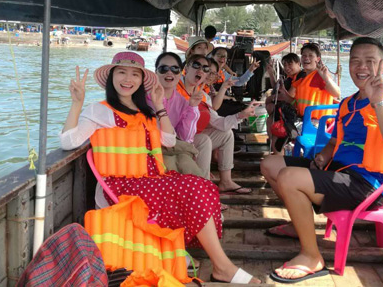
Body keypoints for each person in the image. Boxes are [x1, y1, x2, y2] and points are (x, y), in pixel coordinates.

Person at [60, 51, 260, 284]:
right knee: (192, 188)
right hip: (120, 186)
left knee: (204, 187)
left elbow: (169, 140)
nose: (128, 79)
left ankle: (210, 262)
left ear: (141, 80)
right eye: (122, 72)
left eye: (135, 74)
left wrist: (158, 106)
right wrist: (77, 104)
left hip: (149, 181)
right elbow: (68, 142)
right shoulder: (99, 110)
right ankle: (222, 267)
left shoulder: (143, 111)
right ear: (112, 77)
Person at [261, 37, 383, 283]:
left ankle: (312, 257)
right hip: (338, 172)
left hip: (367, 185)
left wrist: (378, 102)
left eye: (370, 61)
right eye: (355, 61)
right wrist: (323, 155)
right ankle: (298, 224)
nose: (361, 67)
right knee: (269, 164)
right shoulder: (347, 103)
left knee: (289, 177)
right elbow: (334, 142)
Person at [176, 54, 256, 194]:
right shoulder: (174, 88)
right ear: (186, 68)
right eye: (196, 65)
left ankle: (226, 181)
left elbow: (218, 122)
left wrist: (241, 115)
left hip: (192, 137)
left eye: (205, 69)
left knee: (226, 134)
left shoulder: (203, 96)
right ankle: (204, 191)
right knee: (204, 140)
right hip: (176, 139)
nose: (201, 71)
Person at [150, 52, 204, 177]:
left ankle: (205, 186)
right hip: (152, 148)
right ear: (156, 72)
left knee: (187, 164)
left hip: (172, 147)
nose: (169, 72)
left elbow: (185, 137)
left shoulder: (182, 101)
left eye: (175, 69)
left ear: (180, 73)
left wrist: (192, 107)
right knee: (172, 164)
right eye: (163, 68)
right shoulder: (145, 97)